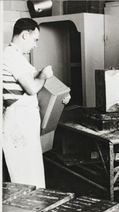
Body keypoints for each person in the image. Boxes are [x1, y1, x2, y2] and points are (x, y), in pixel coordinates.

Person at [2, 18, 67, 188]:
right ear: (25, 35)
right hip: (18, 123)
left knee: (32, 174)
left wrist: (61, 98)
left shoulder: (19, 58)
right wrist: (44, 76)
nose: (36, 45)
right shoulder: (10, 56)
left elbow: (41, 87)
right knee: (24, 176)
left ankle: (33, 210)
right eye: (35, 39)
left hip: (24, 122)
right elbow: (32, 88)